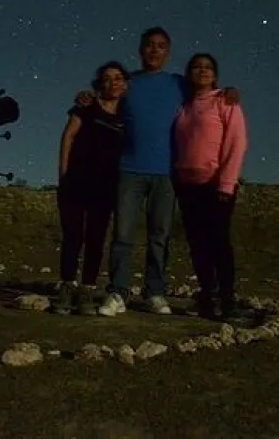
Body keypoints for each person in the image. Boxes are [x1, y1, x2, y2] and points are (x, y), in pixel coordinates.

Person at [75, 27, 240, 317]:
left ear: (168, 51)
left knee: (159, 235)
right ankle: (117, 292)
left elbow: (208, 92)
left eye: (161, 46)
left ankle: (155, 291)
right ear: (141, 49)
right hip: (129, 170)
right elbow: (106, 95)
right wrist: (87, 97)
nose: (154, 50)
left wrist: (229, 91)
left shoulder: (179, 84)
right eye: (149, 45)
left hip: (166, 173)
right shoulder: (129, 83)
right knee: (123, 234)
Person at [172, 53, 249, 321]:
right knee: (197, 244)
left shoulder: (225, 102)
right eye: (196, 67)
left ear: (215, 75)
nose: (202, 71)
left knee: (218, 242)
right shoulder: (184, 107)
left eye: (208, 68)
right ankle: (207, 295)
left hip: (216, 184)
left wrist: (227, 184)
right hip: (187, 186)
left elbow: (236, 143)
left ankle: (227, 300)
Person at [53, 61, 129, 315]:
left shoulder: (127, 115)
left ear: (125, 83)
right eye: (107, 78)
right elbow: (68, 136)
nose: (113, 82)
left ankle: (87, 288)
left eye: (118, 78)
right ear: (100, 84)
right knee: (73, 234)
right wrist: (63, 174)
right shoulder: (86, 107)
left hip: (106, 185)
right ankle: (66, 286)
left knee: (96, 238)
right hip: (77, 179)